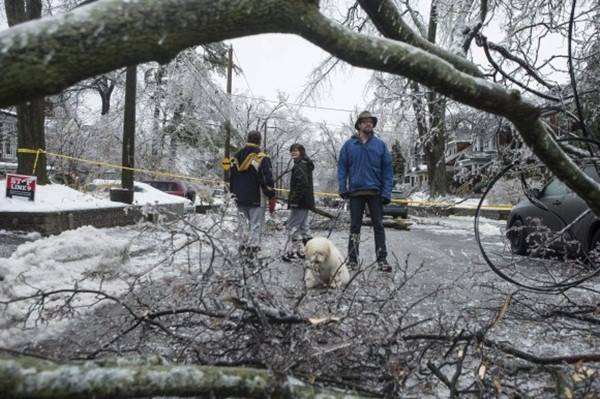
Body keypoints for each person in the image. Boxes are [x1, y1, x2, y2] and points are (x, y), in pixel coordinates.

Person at [338, 110, 393, 271]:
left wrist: (386, 192)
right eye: (365, 121)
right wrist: (343, 188)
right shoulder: (349, 145)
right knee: (355, 226)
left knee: (379, 226)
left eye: (371, 121)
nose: (369, 124)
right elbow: (342, 167)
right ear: (359, 125)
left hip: (375, 192)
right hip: (355, 192)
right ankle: (353, 259)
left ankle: (382, 259)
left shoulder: (380, 145)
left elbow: (388, 170)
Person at [230, 130, 277, 256]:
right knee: (256, 225)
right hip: (256, 197)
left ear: (247, 140)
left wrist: (233, 195)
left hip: (239, 198)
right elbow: (267, 178)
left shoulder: (236, 157)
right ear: (259, 141)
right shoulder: (261, 157)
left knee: (243, 225)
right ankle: (254, 250)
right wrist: (271, 195)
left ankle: (243, 247)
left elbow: (232, 178)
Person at [282, 143, 314, 262]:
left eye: (295, 150)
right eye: (291, 151)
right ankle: (308, 252)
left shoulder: (300, 165)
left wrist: (294, 199)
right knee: (304, 228)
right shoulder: (303, 164)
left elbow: (302, 184)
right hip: (304, 201)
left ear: (301, 152)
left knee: (291, 227)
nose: (293, 153)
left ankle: (290, 252)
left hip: (300, 202)